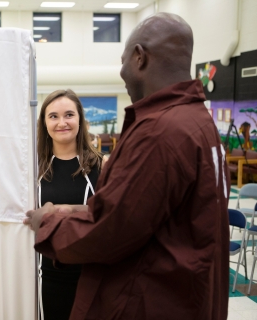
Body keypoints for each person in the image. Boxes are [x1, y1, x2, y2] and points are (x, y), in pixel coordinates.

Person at [24, 12, 229, 320]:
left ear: (139, 57)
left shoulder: (160, 131)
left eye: (122, 61)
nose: (122, 71)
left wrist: (49, 225)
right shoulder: (198, 122)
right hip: (187, 296)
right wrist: (75, 211)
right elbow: (139, 210)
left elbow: (112, 230)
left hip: (153, 299)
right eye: (52, 116)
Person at [36, 89, 103, 320]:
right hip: (44, 278)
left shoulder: (101, 166)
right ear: (44, 123)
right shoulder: (33, 170)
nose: (61, 122)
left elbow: (110, 213)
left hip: (91, 277)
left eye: (69, 115)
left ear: (80, 120)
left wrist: (61, 210)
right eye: (53, 116)